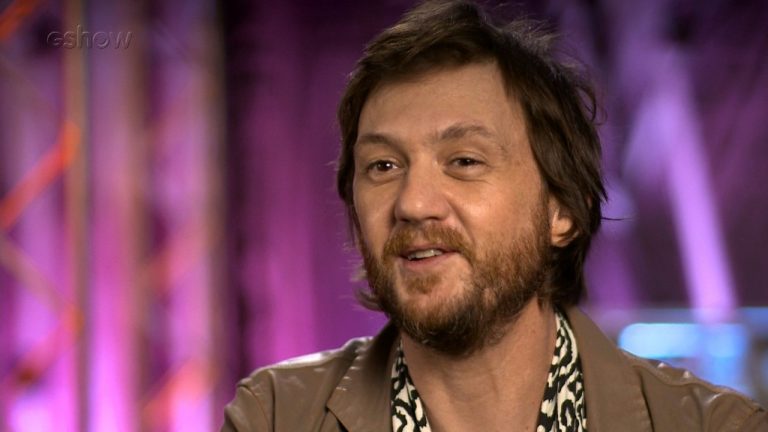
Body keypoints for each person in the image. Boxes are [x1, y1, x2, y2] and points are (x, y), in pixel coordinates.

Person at [221, 1, 768, 430]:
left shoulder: (711, 426)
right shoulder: (275, 417)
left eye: (464, 161)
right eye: (383, 166)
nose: (413, 203)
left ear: (561, 210)